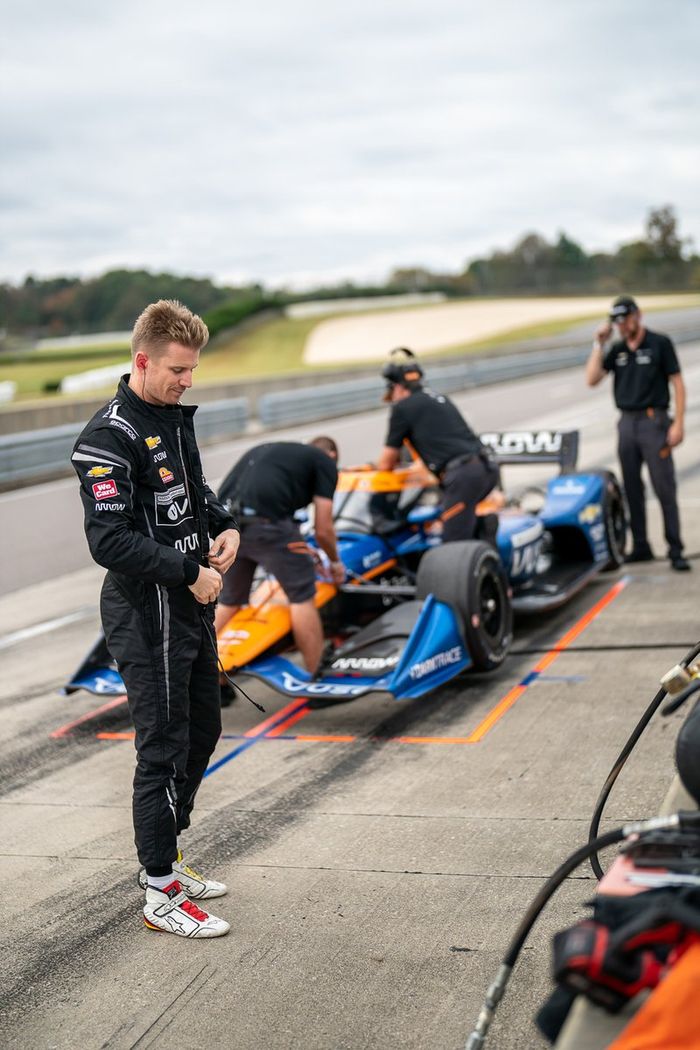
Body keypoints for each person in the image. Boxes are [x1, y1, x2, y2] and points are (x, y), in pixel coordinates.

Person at [71, 300, 240, 938]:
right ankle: (160, 888)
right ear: (142, 359)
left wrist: (224, 529)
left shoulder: (171, 417)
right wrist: (189, 572)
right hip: (146, 612)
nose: (187, 380)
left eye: (193, 368)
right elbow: (108, 541)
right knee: (163, 748)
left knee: (203, 731)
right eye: (177, 369)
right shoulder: (106, 437)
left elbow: (193, 490)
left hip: (190, 605)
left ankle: (166, 858)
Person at [214, 437, 345, 672]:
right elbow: (324, 529)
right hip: (267, 526)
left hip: (228, 527)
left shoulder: (271, 450)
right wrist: (335, 563)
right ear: (332, 455)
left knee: (229, 602)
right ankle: (316, 676)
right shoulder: (325, 463)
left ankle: (214, 678)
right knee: (302, 597)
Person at [586, 295, 690, 572]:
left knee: (663, 486)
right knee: (632, 488)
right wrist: (599, 343)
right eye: (617, 321)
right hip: (627, 424)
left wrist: (678, 423)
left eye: (626, 319)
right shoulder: (617, 349)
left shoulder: (659, 343)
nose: (622, 325)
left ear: (638, 315)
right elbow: (592, 379)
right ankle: (641, 545)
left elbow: (678, 384)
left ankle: (675, 548)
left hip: (654, 421)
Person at [376, 348, 499, 542]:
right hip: (486, 468)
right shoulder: (438, 398)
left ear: (397, 388)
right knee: (463, 523)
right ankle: (484, 531)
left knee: (453, 544)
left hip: (464, 476)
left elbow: (386, 463)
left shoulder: (402, 408)